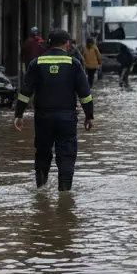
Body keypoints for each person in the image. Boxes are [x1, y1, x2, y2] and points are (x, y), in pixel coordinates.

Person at [13, 28, 94, 192]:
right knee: (66, 155)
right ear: (67, 44)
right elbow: (84, 94)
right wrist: (89, 116)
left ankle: (41, 189)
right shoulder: (74, 63)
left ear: (49, 44)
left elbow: (25, 92)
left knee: (42, 153)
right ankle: (64, 193)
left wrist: (19, 114)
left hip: (43, 118)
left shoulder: (36, 63)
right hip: (67, 118)